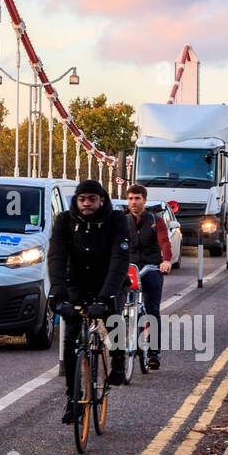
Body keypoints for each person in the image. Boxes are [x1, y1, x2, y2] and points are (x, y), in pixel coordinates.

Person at [48, 178, 134, 423]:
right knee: (71, 336)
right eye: (82, 199)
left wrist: (106, 297)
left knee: (114, 319)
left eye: (92, 199)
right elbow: (56, 257)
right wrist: (58, 294)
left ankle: (118, 360)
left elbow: (120, 260)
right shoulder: (64, 221)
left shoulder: (117, 220)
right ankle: (72, 399)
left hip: (108, 283)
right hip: (77, 284)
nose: (86, 204)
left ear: (102, 200)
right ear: (76, 200)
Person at [125, 183, 173, 370]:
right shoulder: (122, 221)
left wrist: (166, 261)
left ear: (144, 200)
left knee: (152, 309)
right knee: (121, 308)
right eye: (130, 198)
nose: (134, 202)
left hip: (151, 268)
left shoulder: (156, 220)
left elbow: (164, 242)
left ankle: (154, 353)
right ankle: (122, 347)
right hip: (129, 269)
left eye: (137, 198)